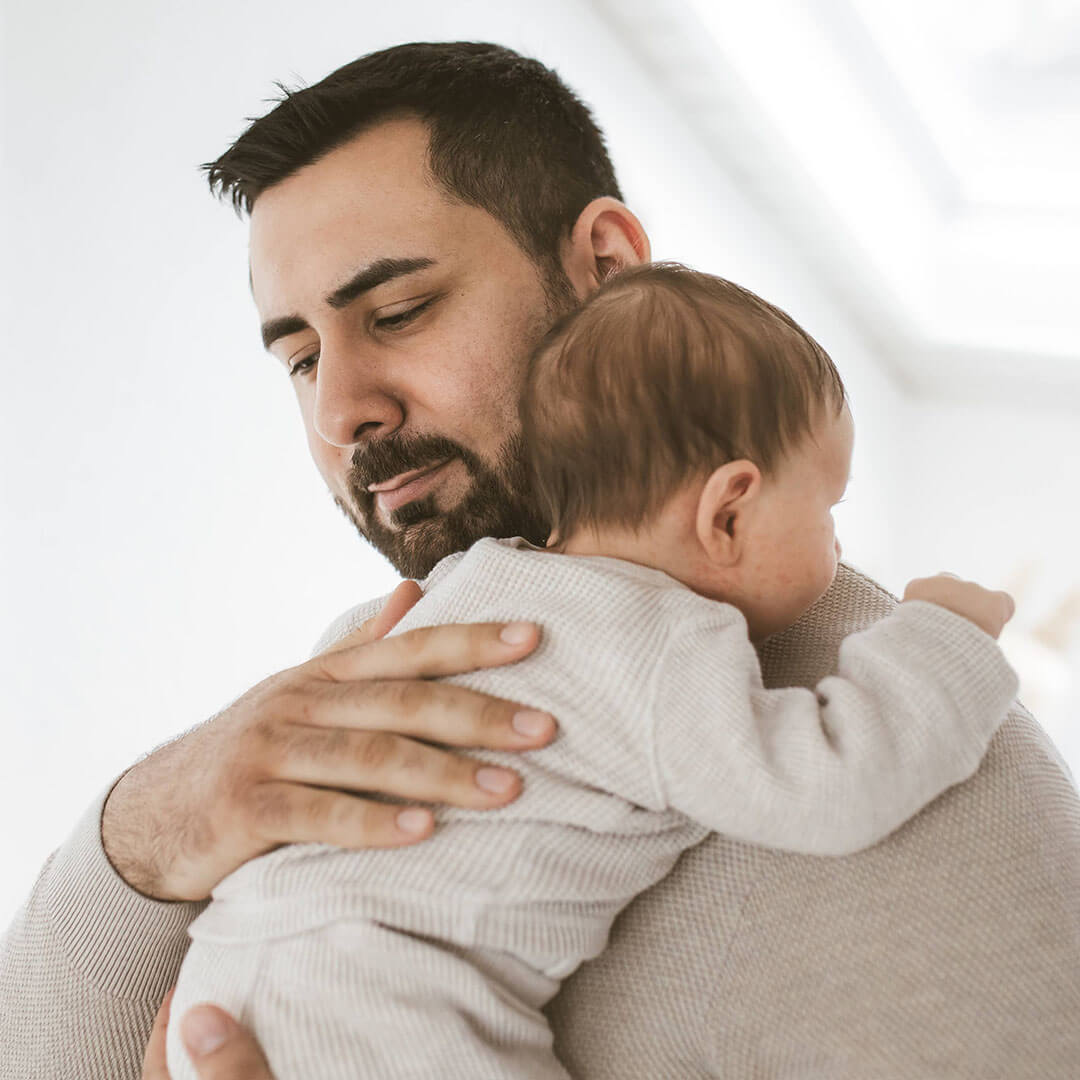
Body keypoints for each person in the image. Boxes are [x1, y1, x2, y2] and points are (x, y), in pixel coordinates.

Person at [2, 42, 1078, 1080]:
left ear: (602, 267)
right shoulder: (366, 671)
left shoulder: (931, 775)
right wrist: (152, 823)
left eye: (400, 311)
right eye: (300, 358)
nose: (341, 411)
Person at [162, 263, 1019, 1080]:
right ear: (727, 512)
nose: (836, 543)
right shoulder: (663, 645)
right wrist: (945, 636)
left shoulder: (470, 581)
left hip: (229, 966)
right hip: (381, 998)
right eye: (827, 507)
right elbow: (831, 784)